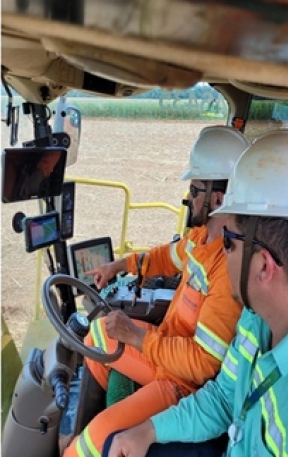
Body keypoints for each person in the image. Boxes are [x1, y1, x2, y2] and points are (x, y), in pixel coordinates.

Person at [105, 129, 288, 457]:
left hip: (180, 376)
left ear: (264, 266)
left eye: (229, 242)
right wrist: (148, 431)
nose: (224, 254)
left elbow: (204, 364)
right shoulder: (253, 322)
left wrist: (139, 338)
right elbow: (224, 399)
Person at [64, 126, 249, 457]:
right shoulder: (200, 238)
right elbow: (166, 257)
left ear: (217, 199)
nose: (188, 198)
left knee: (89, 445)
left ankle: (92, 438)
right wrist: (118, 266)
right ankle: (103, 414)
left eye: (194, 190)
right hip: (164, 351)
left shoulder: (227, 269)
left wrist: (136, 337)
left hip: (184, 383)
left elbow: (204, 364)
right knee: (97, 334)